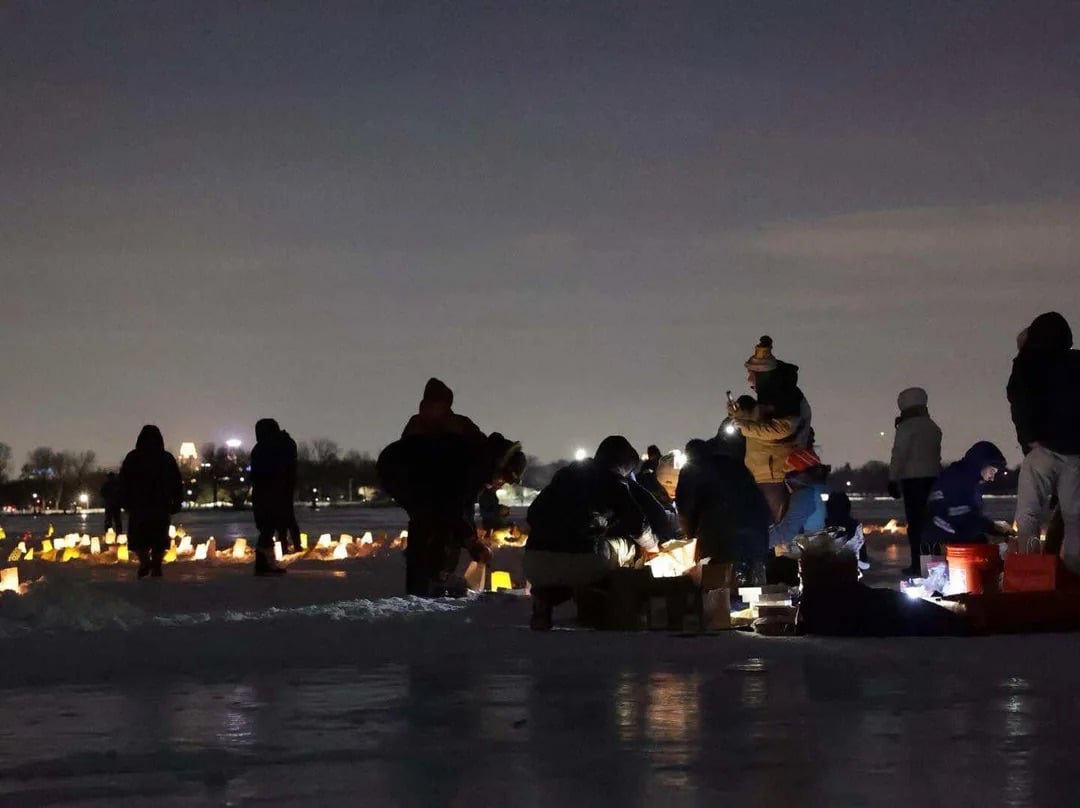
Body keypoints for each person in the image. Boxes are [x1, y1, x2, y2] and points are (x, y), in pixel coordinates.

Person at [524, 435, 657, 630]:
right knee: (627, 549)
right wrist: (653, 546)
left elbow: (533, 514)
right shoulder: (614, 482)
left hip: (533, 563)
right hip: (582, 562)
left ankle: (544, 600)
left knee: (571, 561)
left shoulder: (564, 476)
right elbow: (637, 524)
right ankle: (612, 603)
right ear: (624, 466)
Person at [379, 429, 526, 597]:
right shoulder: (474, 463)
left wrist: (472, 540)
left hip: (416, 474)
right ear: (500, 465)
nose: (499, 484)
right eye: (502, 478)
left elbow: (465, 508)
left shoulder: (481, 462)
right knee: (431, 520)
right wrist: (471, 541)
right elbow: (451, 507)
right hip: (402, 468)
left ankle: (435, 576)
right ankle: (426, 582)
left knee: (441, 521)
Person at [1008, 312, 1080, 569]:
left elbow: (1019, 403)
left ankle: (1028, 571)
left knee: (1028, 513)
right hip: (1075, 454)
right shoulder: (1076, 361)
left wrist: (1028, 440)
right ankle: (1074, 576)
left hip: (1041, 450)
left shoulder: (1027, 364)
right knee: (1075, 519)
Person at [729, 336, 813, 522]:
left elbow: (781, 429)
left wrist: (745, 426)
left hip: (775, 475)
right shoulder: (774, 396)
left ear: (762, 375)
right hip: (764, 474)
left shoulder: (786, 397)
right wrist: (740, 414)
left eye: (752, 373)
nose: (748, 378)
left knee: (775, 530)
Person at [676, 438, 771, 585]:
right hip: (757, 531)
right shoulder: (735, 465)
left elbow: (684, 508)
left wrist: (690, 536)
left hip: (719, 534)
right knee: (753, 584)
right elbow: (758, 498)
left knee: (720, 588)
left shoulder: (690, 470)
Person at [888, 387, 943, 576]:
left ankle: (918, 564)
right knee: (931, 524)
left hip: (913, 482)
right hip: (933, 479)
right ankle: (933, 562)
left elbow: (899, 454)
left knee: (916, 525)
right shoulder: (932, 426)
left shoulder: (907, 427)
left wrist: (893, 478)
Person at [118, 425, 182, 579]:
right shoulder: (166, 458)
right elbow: (176, 481)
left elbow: (124, 481)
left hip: (139, 505)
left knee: (140, 538)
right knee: (158, 537)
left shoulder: (133, 457)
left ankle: (145, 561)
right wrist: (176, 500)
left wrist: (125, 500)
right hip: (160, 504)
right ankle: (156, 565)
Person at [925, 441, 1012, 546]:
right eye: (992, 471)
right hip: (939, 544)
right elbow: (963, 518)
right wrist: (993, 527)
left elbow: (969, 516)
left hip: (946, 539)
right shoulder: (956, 479)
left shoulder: (969, 481)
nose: (992, 478)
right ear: (981, 464)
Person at [250, 418, 292, 576]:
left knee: (267, 528)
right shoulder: (275, 447)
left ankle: (264, 563)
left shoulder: (262, 448)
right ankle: (264, 563)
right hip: (271, 492)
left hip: (266, 493)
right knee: (268, 529)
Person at [767, 448, 829, 550]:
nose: (786, 476)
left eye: (789, 470)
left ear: (801, 474)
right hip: (811, 551)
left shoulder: (804, 496)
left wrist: (759, 542)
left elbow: (786, 531)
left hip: (804, 553)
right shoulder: (813, 491)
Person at [402, 377, 482, 438]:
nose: (429, 407)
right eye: (427, 402)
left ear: (445, 406)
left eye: (434, 402)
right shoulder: (415, 423)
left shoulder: (460, 423)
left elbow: (481, 444)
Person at [824, 490, 869, 570]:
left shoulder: (822, 527)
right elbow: (865, 563)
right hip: (850, 575)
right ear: (848, 507)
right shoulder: (856, 528)